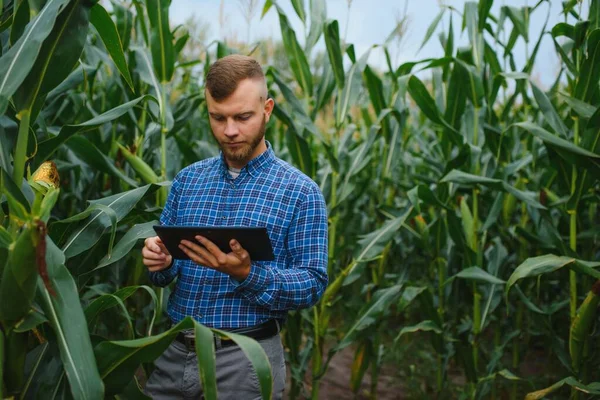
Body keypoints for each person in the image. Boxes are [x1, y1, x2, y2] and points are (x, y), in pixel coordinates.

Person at [142, 54, 329, 400]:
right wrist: (160, 261)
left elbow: (313, 283)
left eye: (242, 117)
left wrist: (248, 273)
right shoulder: (188, 181)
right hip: (175, 353)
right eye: (218, 117)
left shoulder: (300, 192)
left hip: (246, 360)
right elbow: (164, 271)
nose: (229, 130)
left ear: (267, 110)